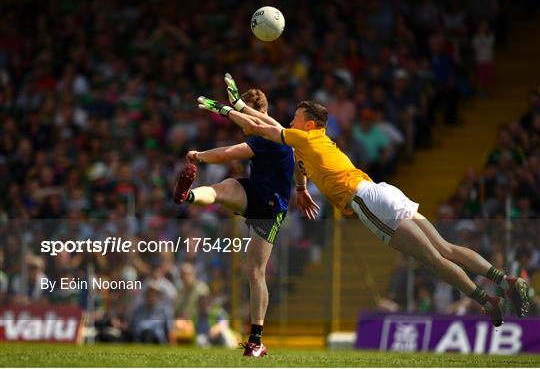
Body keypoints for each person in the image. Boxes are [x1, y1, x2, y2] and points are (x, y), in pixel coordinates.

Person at [196, 87, 530, 327]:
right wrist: (301, 189)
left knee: (432, 258)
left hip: (366, 200)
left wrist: (226, 108)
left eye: (296, 119)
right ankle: (507, 280)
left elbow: (261, 127)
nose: (292, 123)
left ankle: (488, 302)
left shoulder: (303, 137)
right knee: (444, 246)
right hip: (383, 192)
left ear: (309, 123)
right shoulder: (313, 142)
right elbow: (282, 144)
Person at [174, 79, 303, 357]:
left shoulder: (268, 136)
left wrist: (198, 155)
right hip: (256, 191)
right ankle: (189, 196)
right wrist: (302, 188)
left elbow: (226, 153)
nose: (242, 127)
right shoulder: (274, 130)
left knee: (255, 271)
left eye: (242, 120)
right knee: (225, 188)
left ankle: (256, 340)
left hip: (270, 209)